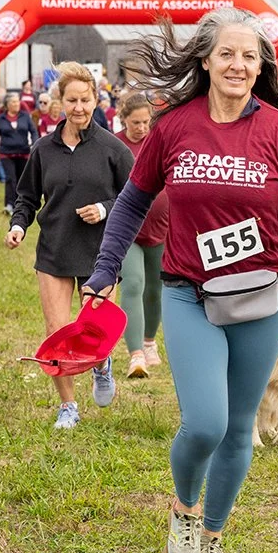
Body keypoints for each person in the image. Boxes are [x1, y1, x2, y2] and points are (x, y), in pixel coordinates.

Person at [82, 8, 278, 553]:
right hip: (189, 293)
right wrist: (105, 270)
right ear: (205, 60)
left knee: (239, 426)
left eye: (250, 57)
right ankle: (184, 511)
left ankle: (214, 537)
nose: (238, 65)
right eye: (227, 54)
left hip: (261, 297)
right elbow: (132, 201)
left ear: (260, 67)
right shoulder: (175, 126)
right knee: (204, 423)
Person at [5, 62, 134, 429]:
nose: (79, 108)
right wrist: (18, 225)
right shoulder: (43, 149)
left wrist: (104, 208)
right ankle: (68, 406)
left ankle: (102, 364)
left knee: (94, 332)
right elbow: (27, 197)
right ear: (59, 102)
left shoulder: (113, 149)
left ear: (96, 99)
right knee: (57, 331)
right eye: (72, 101)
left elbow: (134, 198)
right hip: (55, 249)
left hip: (100, 253)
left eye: (85, 100)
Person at [113, 93, 168, 379]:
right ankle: (136, 354)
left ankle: (149, 342)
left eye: (146, 122)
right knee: (133, 283)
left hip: (162, 228)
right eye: (136, 122)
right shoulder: (116, 146)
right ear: (124, 120)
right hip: (129, 230)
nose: (142, 127)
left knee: (156, 290)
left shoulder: (159, 140)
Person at [0, 92, 39, 214]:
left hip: (23, 153)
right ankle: (9, 205)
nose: (17, 104)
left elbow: (33, 131)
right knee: (11, 179)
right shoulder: (1, 119)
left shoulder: (25, 116)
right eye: (14, 102)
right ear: (7, 105)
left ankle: (19, 205)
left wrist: (35, 143)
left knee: (21, 180)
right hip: (6, 154)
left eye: (17, 101)